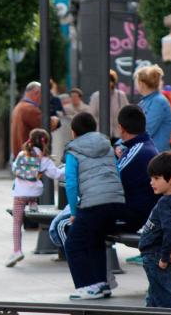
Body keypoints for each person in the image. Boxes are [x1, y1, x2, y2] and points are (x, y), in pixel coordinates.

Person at [64, 112, 125, 300]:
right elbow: (117, 171)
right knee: (95, 239)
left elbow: (71, 184)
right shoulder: (107, 145)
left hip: (94, 204)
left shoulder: (73, 150)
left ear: (73, 132)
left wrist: (74, 212)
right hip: (116, 202)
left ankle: (86, 286)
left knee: (72, 243)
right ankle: (101, 284)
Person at [6, 128, 65, 267]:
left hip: (20, 193)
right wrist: (68, 168)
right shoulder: (44, 159)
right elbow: (56, 174)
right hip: (35, 192)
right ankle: (33, 205)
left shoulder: (22, 154)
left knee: (17, 223)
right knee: (33, 191)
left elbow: (15, 168)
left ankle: (17, 251)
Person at [138, 152, 171, 308]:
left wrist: (164, 257)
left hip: (156, 256)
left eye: (156, 178)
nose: (151, 182)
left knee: (162, 299)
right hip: (163, 252)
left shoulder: (166, 202)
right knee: (154, 296)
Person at [116, 105, 159, 232]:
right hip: (141, 213)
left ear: (121, 128)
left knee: (78, 224)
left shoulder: (137, 151)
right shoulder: (144, 146)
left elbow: (110, 180)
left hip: (136, 217)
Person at [10, 81, 59, 158]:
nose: (42, 99)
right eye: (42, 95)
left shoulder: (19, 107)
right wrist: (55, 120)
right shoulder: (29, 109)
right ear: (36, 93)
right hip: (30, 158)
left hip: (22, 156)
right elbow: (46, 124)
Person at [135, 64, 171, 152]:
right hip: (149, 153)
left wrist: (122, 144)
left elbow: (146, 129)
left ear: (141, 83)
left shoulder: (158, 102)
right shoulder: (145, 102)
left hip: (156, 157)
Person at [89, 69, 129, 143]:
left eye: (110, 80)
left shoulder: (121, 95)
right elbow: (91, 116)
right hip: (100, 135)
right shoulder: (96, 96)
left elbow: (127, 113)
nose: (108, 83)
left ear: (114, 82)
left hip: (118, 134)